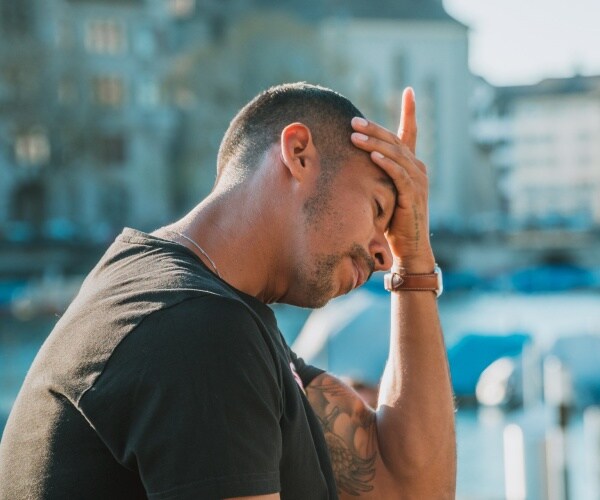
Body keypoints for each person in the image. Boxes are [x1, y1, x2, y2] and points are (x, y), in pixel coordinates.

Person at [0, 82, 455, 499]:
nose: (384, 254)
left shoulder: (193, 307)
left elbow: (408, 486)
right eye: (378, 210)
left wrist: (415, 258)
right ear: (298, 153)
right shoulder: (195, 327)